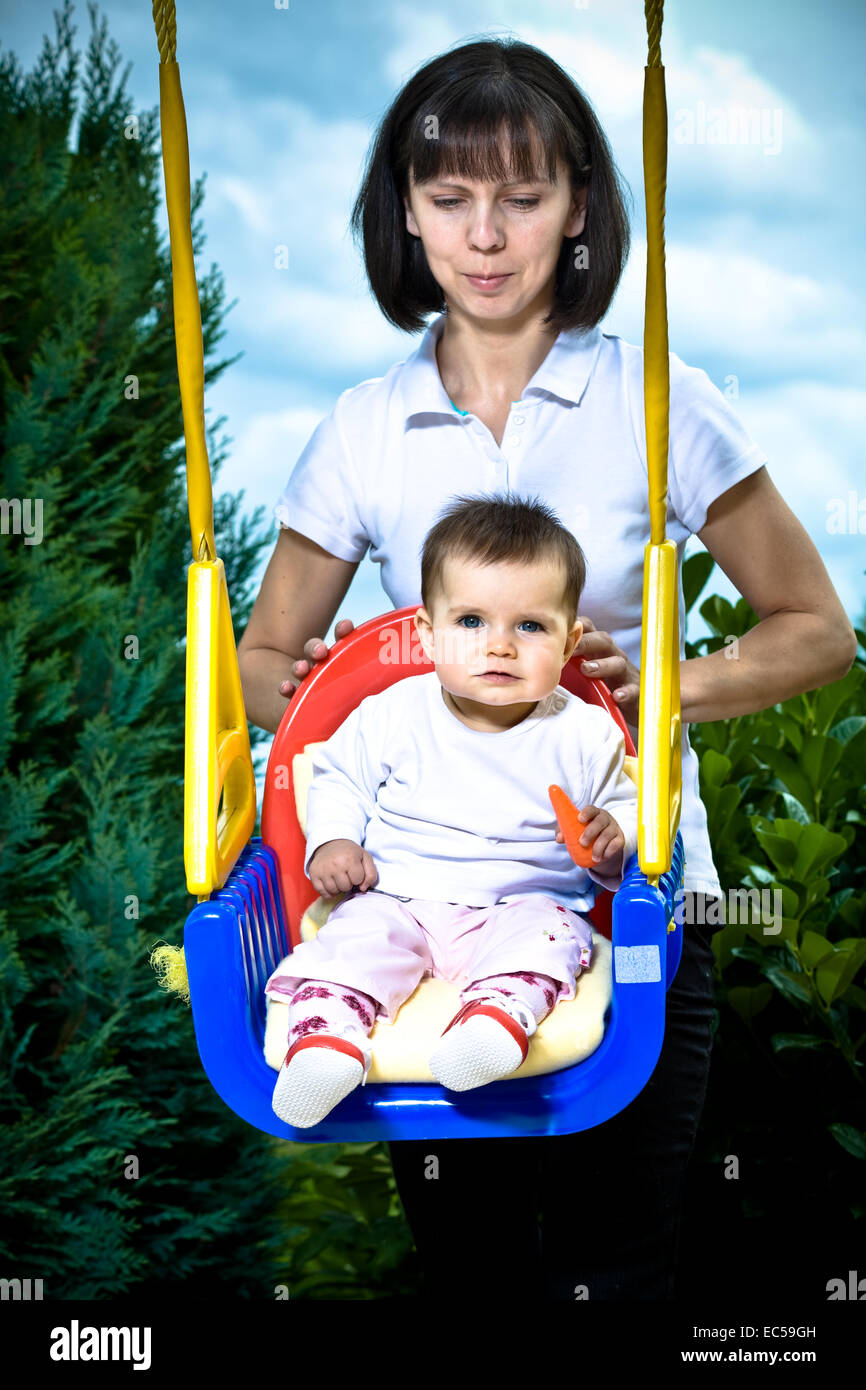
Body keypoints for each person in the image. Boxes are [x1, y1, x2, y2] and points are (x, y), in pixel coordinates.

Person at [237, 39, 857, 1298]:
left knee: (615, 1272)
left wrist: (668, 681)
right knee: (470, 1277)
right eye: (449, 199)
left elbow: (815, 627)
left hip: (633, 914)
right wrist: (320, 689)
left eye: (521, 198)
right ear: (402, 214)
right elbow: (260, 670)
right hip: (415, 927)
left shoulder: (659, 400)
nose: (485, 236)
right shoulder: (362, 424)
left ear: (578, 202)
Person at [264, 494, 636, 1130]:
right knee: (355, 940)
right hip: (397, 897)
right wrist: (331, 843)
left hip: (522, 905)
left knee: (550, 940)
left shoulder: (585, 734)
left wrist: (616, 835)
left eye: (530, 626)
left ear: (570, 640)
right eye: (470, 622)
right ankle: (326, 1043)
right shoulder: (393, 713)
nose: (499, 646)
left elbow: (627, 806)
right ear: (427, 634)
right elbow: (337, 779)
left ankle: (491, 1025)